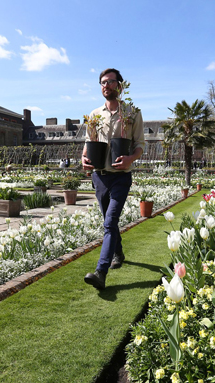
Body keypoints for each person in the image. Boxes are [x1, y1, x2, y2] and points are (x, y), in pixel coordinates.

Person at [81, 68, 145, 290]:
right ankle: (118, 252)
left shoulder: (132, 113)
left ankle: (101, 272)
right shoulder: (94, 114)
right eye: (102, 82)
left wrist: (130, 159)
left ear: (120, 85)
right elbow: (88, 143)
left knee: (109, 222)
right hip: (99, 177)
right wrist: (83, 159)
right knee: (110, 222)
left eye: (110, 82)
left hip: (120, 178)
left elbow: (139, 145)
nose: (105, 86)